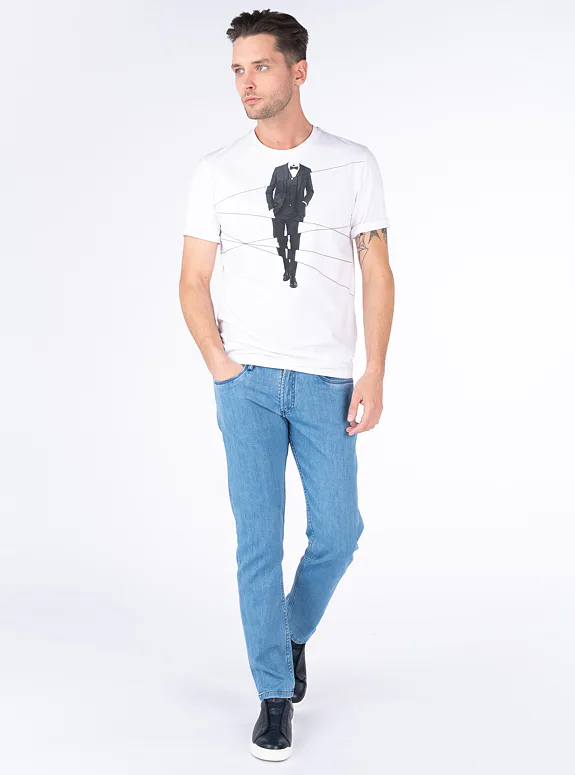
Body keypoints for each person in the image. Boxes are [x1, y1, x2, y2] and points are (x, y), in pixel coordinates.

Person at [179, 9, 394, 762]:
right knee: (258, 543)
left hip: (326, 379)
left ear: (298, 71)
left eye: (260, 66)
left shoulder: (352, 163)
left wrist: (373, 368)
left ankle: (288, 632)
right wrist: (221, 365)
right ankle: (274, 693)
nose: (246, 82)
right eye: (238, 70)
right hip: (245, 383)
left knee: (339, 532)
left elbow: (376, 270)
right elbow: (193, 280)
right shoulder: (215, 171)